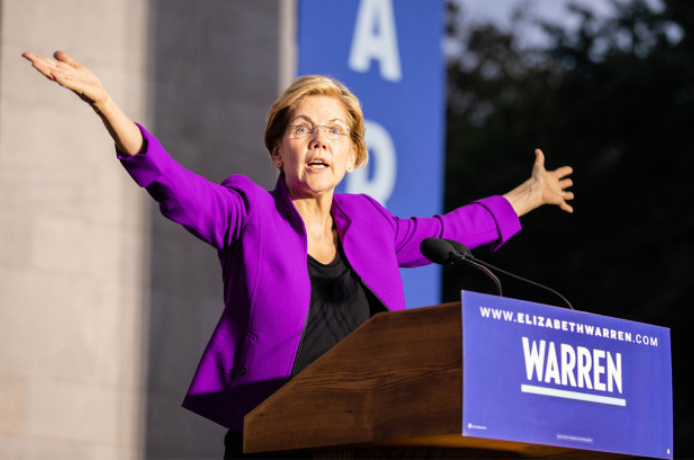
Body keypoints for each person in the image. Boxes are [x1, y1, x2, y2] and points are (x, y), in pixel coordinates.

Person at [22, 51, 574, 459]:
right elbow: (171, 183)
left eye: (335, 131)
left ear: (353, 154)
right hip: (276, 436)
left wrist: (528, 195)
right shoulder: (247, 211)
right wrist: (105, 104)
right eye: (303, 128)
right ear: (276, 149)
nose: (319, 140)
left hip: (368, 434)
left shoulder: (373, 225)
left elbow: (449, 230)